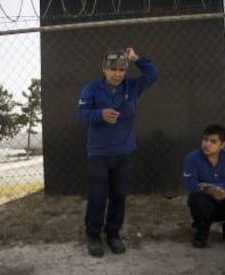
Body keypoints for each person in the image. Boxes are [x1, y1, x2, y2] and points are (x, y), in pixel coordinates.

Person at [77, 47, 158, 257]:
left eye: (122, 69)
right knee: (97, 196)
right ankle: (93, 235)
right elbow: (82, 114)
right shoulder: (92, 88)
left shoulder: (133, 86)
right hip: (99, 154)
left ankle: (113, 233)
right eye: (113, 69)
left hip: (124, 152)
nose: (117, 74)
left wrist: (136, 58)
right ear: (104, 69)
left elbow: (153, 75)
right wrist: (100, 114)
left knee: (119, 195)